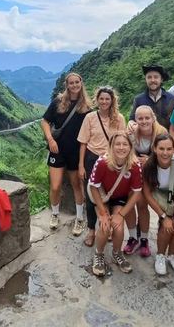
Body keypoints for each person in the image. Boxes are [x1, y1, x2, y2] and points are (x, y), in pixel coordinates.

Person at [41, 72, 92, 232]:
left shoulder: (87, 107)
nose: (75, 85)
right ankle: (55, 213)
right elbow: (45, 121)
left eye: (77, 82)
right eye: (72, 83)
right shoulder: (58, 102)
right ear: (67, 85)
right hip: (57, 150)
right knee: (55, 186)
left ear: (81, 83)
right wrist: (50, 139)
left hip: (76, 152)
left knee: (77, 185)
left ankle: (79, 218)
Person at [89, 132, 143, 276]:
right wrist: (102, 214)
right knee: (105, 226)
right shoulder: (102, 162)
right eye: (117, 144)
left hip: (119, 197)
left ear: (130, 147)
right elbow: (93, 187)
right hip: (102, 196)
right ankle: (99, 254)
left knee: (118, 228)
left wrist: (120, 214)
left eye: (125, 144)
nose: (121, 148)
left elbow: (137, 193)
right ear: (111, 146)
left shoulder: (134, 165)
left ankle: (117, 253)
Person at [78, 86, 126, 247]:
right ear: (97, 100)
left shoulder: (119, 118)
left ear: (112, 101)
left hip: (112, 159)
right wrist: (81, 165)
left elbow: (122, 141)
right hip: (92, 158)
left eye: (107, 99)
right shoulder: (90, 117)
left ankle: (109, 228)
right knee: (92, 197)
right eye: (102, 98)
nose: (104, 101)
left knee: (111, 194)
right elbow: (83, 142)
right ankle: (91, 230)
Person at [122, 105, 168, 257]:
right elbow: (124, 152)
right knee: (130, 204)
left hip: (151, 174)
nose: (144, 121)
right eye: (140, 118)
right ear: (135, 120)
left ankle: (144, 239)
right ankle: (133, 237)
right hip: (133, 172)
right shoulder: (131, 134)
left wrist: (150, 160)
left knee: (142, 205)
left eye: (147, 118)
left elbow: (167, 154)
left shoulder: (161, 133)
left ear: (153, 118)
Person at [141, 133, 174, 276]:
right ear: (154, 149)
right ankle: (160, 255)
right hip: (158, 190)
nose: (165, 153)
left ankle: (172, 254)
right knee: (167, 223)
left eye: (169, 149)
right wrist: (163, 216)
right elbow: (147, 194)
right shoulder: (148, 165)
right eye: (161, 149)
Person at [130, 64, 174, 130]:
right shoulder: (139, 100)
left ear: (161, 79)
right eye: (149, 77)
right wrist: (131, 124)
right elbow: (132, 120)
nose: (152, 80)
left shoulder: (172, 99)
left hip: (168, 139)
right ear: (146, 79)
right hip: (146, 139)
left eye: (156, 77)